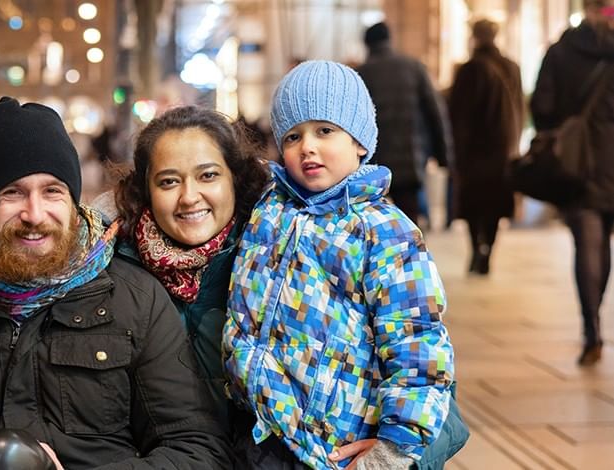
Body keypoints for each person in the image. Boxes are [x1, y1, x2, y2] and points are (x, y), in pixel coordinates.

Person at [0, 97, 232, 469]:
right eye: (12, 193)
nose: (35, 214)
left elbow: (197, 451)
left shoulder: (135, 299)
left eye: (52, 191)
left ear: (73, 200)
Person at [224, 60, 455, 469]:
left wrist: (393, 448)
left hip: (337, 446)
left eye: (324, 130)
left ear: (360, 142)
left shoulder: (384, 231)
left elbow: (416, 342)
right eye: (293, 136)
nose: (307, 146)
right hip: (262, 432)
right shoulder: (269, 209)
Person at [112, 105, 269, 462]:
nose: (188, 196)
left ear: (236, 178)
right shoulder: (114, 271)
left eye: (208, 176)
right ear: (145, 190)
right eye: (168, 181)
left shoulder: (271, 264)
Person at [531, 0, 614, 366]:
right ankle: (595, 321)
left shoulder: (562, 50)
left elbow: (542, 108)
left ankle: (592, 329)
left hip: (576, 163)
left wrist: (563, 129)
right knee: (604, 243)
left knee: (588, 243)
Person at [357, 22, 452, 229]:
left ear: (367, 44)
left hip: (373, 162)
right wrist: (444, 155)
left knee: (370, 223)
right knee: (410, 219)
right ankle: (412, 257)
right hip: (411, 157)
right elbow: (435, 112)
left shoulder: (362, 74)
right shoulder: (414, 67)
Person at [448, 19, 525, 275]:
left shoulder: (469, 69)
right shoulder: (512, 67)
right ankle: (488, 250)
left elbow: (458, 115)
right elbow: (520, 108)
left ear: (475, 37)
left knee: (474, 205)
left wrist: (455, 151)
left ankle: (475, 249)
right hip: (503, 150)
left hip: (474, 152)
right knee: (494, 205)